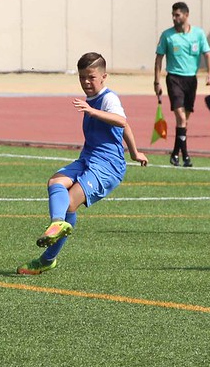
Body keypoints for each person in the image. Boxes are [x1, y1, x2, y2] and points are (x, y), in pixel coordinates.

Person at [17, 52, 148, 275]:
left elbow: (121, 121)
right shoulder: (92, 101)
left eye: (91, 77)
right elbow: (125, 128)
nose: (86, 82)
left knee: (69, 204)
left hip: (107, 166)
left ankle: (48, 258)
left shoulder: (108, 98)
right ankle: (55, 226)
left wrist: (92, 111)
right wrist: (135, 152)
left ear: (104, 76)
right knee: (55, 181)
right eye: (82, 78)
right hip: (88, 158)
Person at [154, 1, 210, 167]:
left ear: (186, 15)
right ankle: (186, 156)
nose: (174, 18)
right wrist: (156, 81)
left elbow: (207, 53)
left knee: (184, 121)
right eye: (173, 15)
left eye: (177, 15)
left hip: (191, 80)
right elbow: (159, 58)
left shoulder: (198, 34)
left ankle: (175, 153)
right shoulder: (167, 35)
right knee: (180, 116)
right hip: (174, 78)